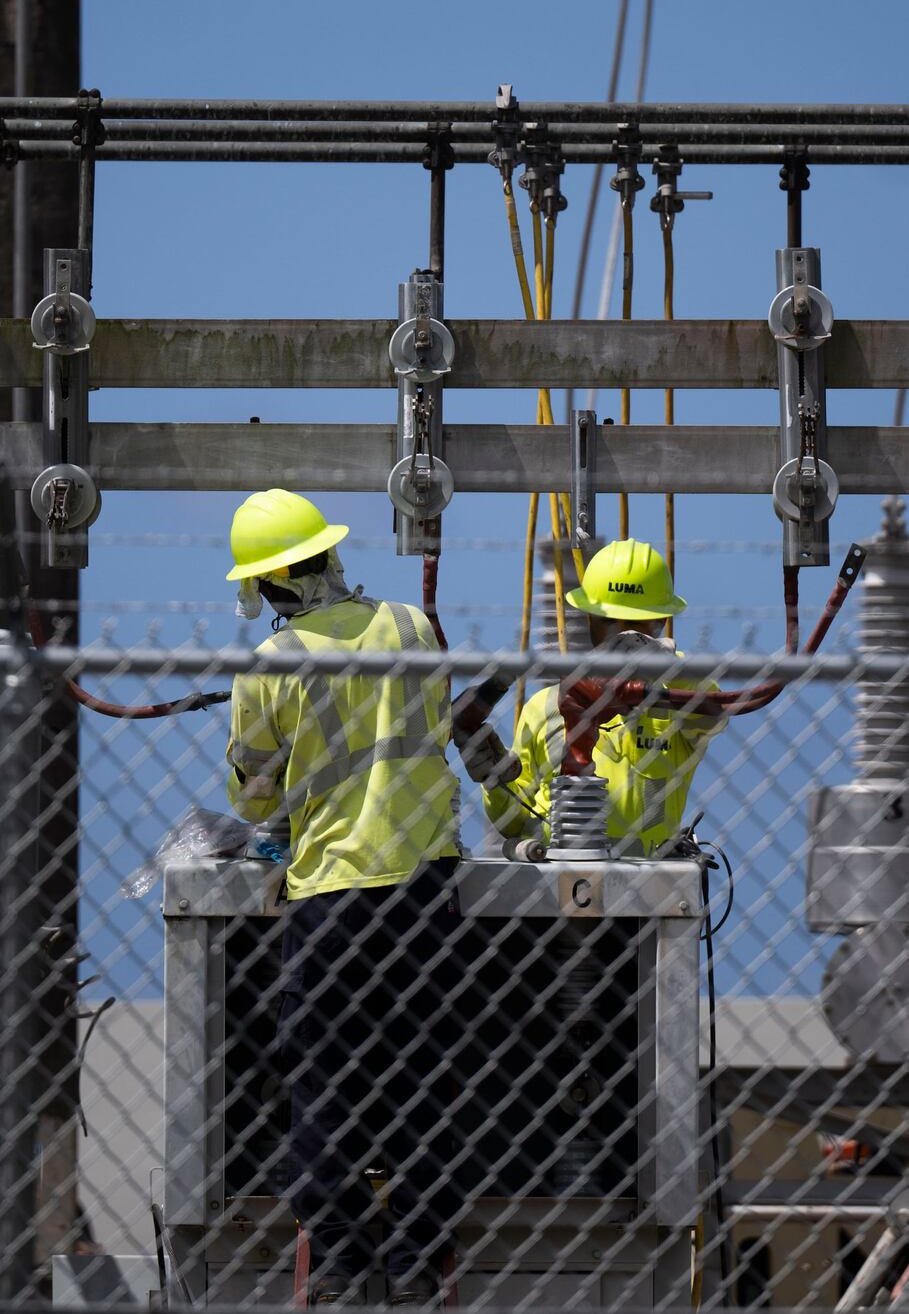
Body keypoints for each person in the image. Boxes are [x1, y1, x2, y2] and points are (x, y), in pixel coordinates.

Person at [222, 488, 464, 1306]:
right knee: (428, 1076)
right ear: (330, 555)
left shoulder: (268, 669)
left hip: (330, 895)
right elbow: (440, 725)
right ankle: (414, 1255)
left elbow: (254, 799)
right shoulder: (411, 627)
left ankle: (344, 1260)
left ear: (265, 588)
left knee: (322, 1080)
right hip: (425, 888)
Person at [485, 539, 722, 858]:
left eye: (638, 627)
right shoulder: (546, 706)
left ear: (661, 623)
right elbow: (512, 823)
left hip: (646, 889)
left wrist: (668, 666)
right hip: (554, 886)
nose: (623, 637)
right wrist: (495, 781)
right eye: (611, 622)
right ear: (588, 621)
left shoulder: (674, 704)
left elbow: (714, 712)